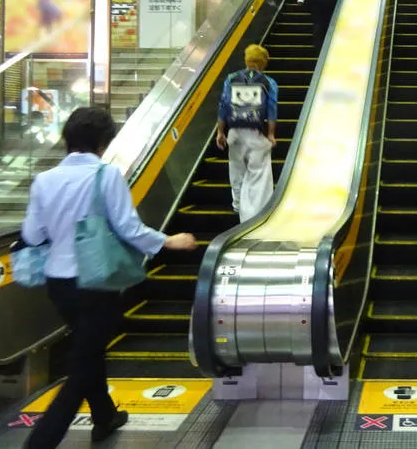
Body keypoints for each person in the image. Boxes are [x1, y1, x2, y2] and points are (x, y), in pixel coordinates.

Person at [21, 107, 197, 449]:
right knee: (80, 370)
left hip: (58, 284)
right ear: (103, 142)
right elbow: (128, 228)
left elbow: (32, 232)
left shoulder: (44, 180)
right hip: (96, 282)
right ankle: (39, 443)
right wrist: (169, 242)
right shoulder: (106, 175)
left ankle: (104, 417)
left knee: (89, 350)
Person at [216, 45, 279, 222]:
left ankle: (237, 205)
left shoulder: (231, 79)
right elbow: (271, 110)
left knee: (236, 171)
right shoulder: (269, 82)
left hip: (234, 133)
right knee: (259, 175)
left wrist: (221, 132)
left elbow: (223, 105)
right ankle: (255, 217)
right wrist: (271, 134)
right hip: (256, 135)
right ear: (263, 62)